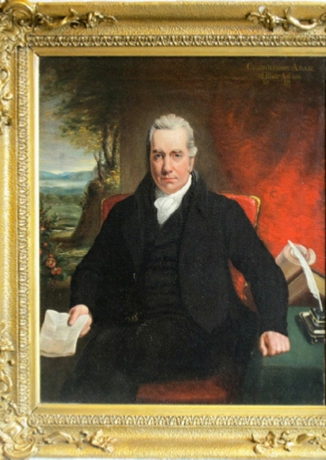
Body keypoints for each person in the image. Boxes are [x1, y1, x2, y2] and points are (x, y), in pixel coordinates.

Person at [61, 114, 290, 404]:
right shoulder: (124, 212)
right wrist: (82, 304)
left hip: (200, 334)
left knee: (104, 353)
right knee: (110, 363)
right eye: (158, 156)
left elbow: (264, 271)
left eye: (176, 155)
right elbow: (92, 267)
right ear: (149, 159)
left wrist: (273, 324)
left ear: (191, 161)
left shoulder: (222, 213)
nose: (166, 167)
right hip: (131, 328)